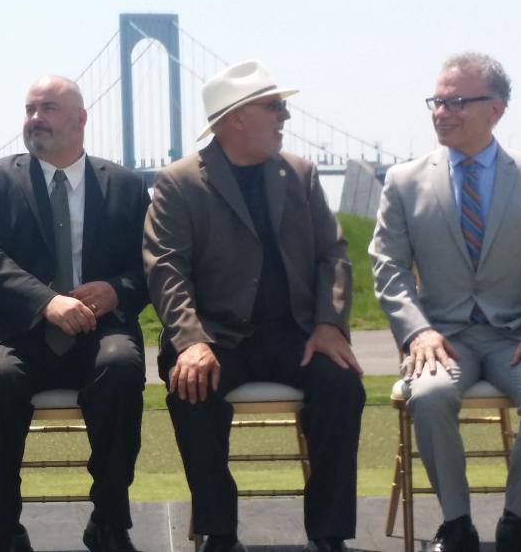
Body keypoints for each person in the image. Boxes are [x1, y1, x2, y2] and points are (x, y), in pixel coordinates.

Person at [143, 60, 364, 552]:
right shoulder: (179, 183)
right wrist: (191, 342)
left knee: (341, 384)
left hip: (296, 334)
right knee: (190, 388)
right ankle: (219, 533)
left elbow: (334, 256)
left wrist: (329, 325)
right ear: (237, 117)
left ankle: (328, 534)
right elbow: (166, 270)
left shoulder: (301, 176)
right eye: (275, 106)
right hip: (216, 337)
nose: (286, 116)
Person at [0, 75, 149, 552]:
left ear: (81, 119)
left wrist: (116, 289)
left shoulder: (126, 185)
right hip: (12, 329)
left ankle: (108, 523)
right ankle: (4, 531)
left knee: (122, 369)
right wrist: (45, 302)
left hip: (98, 329)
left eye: (47, 108)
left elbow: (150, 266)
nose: (35, 119)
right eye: (29, 109)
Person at [370, 52, 521, 552]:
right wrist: (417, 331)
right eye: (437, 101)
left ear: (496, 108)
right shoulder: (403, 181)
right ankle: (456, 525)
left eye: (456, 102)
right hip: (440, 339)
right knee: (427, 397)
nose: (441, 112)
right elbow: (387, 266)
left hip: (515, 337)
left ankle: (520, 522)